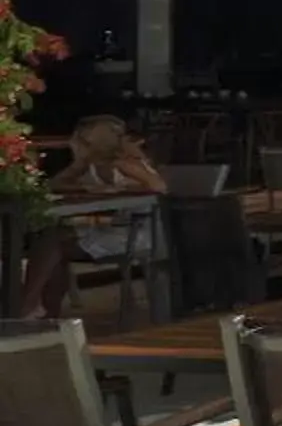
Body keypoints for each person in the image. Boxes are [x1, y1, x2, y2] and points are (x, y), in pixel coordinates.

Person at [17, 116, 169, 318]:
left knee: (52, 242)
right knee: (49, 240)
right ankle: (42, 309)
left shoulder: (125, 164)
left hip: (138, 232)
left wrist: (122, 187)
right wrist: (77, 170)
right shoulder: (90, 165)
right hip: (110, 227)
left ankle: (27, 306)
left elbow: (160, 188)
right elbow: (51, 186)